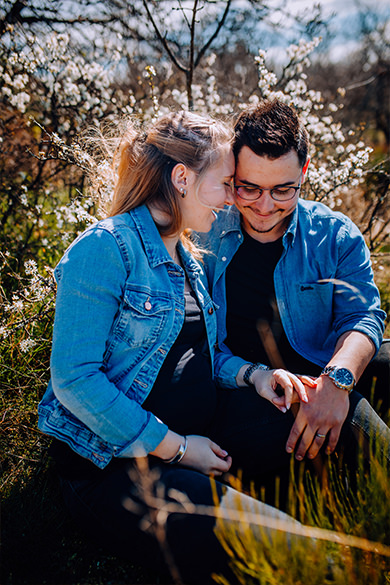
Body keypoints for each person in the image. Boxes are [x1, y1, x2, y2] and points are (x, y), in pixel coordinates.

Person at [38, 110, 312, 585]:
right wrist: (180, 449)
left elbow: (201, 356)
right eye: (225, 183)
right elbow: (74, 380)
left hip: (196, 435)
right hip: (114, 468)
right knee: (284, 543)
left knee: (319, 415)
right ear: (182, 178)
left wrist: (256, 376)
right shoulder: (106, 248)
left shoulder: (186, 256)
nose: (232, 199)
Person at [196, 98, 390, 497]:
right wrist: (264, 378)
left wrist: (335, 383)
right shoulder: (203, 237)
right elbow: (197, 349)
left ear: (304, 170)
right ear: (232, 173)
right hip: (248, 389)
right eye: (249, 187)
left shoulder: (335, 234)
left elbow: (363, 317)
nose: (265, 207)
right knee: (359, 426)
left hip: (324, 367)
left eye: (283, 189)